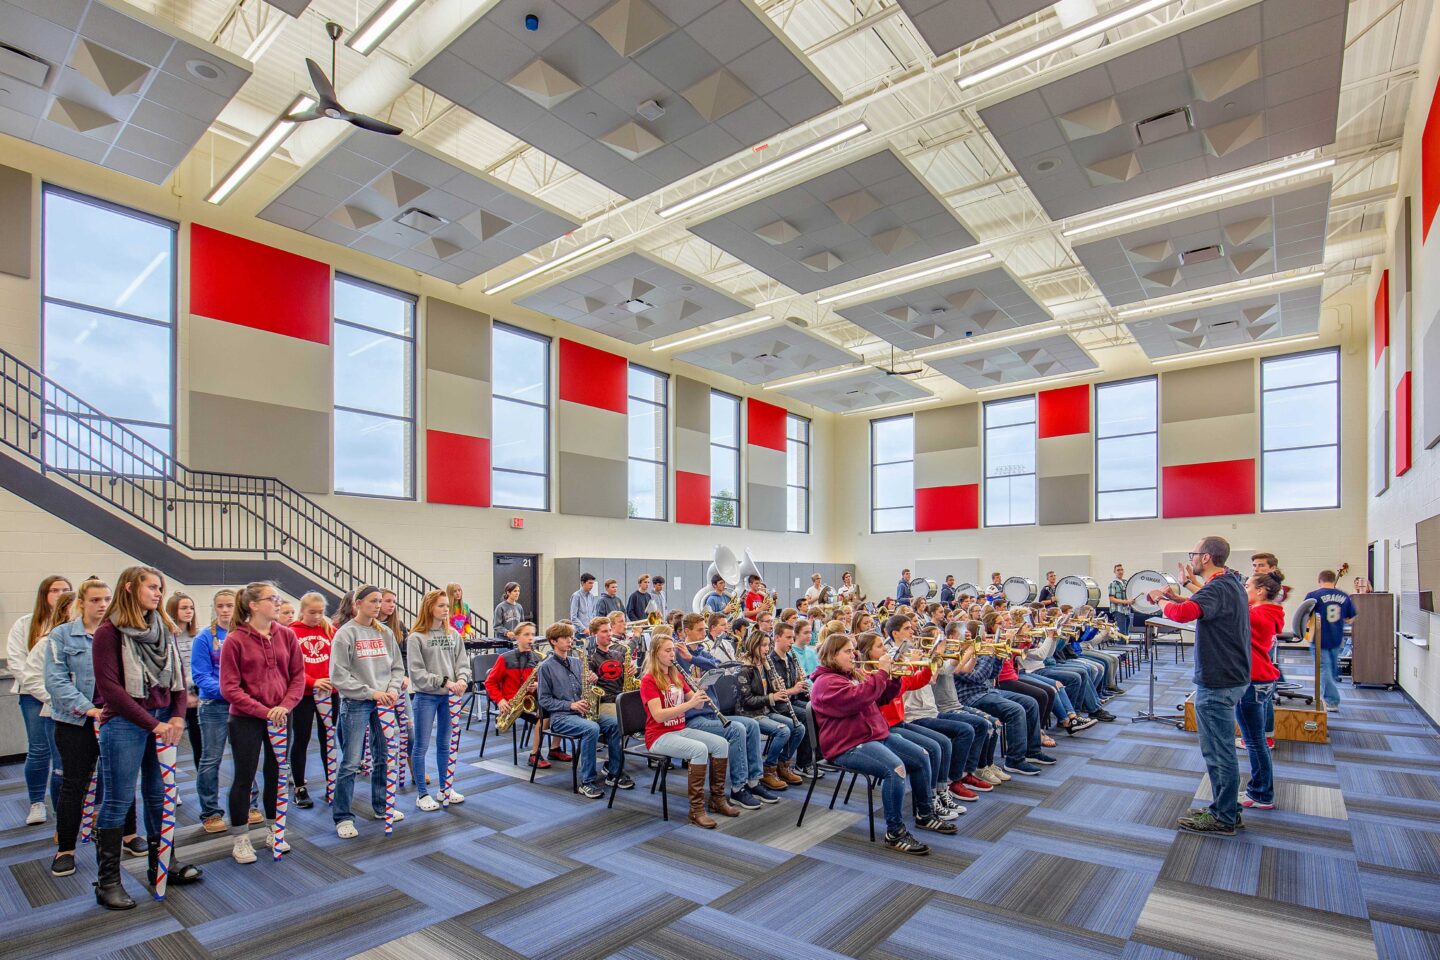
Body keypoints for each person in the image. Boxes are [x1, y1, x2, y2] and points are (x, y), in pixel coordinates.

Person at [92, 566, 203, 909]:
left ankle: (163, 864)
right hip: (125, 723)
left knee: (159, 796)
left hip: (162, 719)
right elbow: (111, 690)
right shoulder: (108, 633)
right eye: (152, 587)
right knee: (118, 800)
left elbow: (178, 680)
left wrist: (177, 716)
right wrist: (153, 725)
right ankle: (108, 880)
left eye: (160, 588)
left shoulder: (163, 628)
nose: (158, 593)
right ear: (129, 587)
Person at [811, 632, 950, 854]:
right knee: (895, 769)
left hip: (873, 736)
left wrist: (893, 677)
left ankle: (925, 814)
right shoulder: (826, 683)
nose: (854, 655)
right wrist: (883, 671)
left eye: (853, 650)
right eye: (847, 651)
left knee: (921, 756)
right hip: (847, 744)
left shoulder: (850, 674)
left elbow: (882, 697)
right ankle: (894, 832)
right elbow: (858, 699)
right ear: (832, 655)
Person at [1148, 536, 1251, 836]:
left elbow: (1183, 614)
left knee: (1218, 752)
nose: (1191, 557)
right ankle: (1227, 808)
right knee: (1219, 750)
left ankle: (1223, 817)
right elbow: (1200, 604)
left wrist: (1161, 599)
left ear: (1206, 557)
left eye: (1193, 553)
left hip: (1219, 680)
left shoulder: (1219, 587)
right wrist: (1182, 591)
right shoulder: (1231, 581)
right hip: (1232, 675)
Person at [44, 578, 144, 877]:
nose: (102, 605)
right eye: (95, 600)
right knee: (75, 783)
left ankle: (128, 835)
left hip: (117, 719)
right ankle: (66, 849)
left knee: (122, 781)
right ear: (81, 603)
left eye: (106, 599)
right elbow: (55, 680)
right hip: (76, 721)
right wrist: (89, 709)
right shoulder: (62, 635)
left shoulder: (119, 634)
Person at [221, 582, 305, 864]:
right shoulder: (235, 640)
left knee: (277, 773)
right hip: (246, 719)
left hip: (282, 715)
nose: (278, 602)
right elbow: (230, 688)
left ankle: (274, 829)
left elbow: (297, 677)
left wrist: (285, 706)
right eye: (272, 598)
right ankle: (241, 838)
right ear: (253, 605)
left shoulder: (287, 635)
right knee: (244, 776)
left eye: (279, 598)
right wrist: (263, 711)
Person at [329, 585, 406, 838]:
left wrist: (393, 690)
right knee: (351, 761)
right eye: (373, 601)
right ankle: (343, 817)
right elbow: (339, 677)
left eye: (379, 601)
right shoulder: (345, 634)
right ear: (357, 604)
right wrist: (371, 692)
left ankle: (382, 805)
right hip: (357, 702)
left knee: (383, 755)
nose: (377, 605)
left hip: (384, 702)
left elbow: (397, 668)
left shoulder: (384, 632)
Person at [640, 634, 736, 828]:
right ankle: (696, 810)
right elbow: (658, 716)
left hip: (679, 729)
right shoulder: (649, 680)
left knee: (721, 744)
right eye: (667, 650)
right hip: (658, 736)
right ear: (655, 653)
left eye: (672, 650)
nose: (672, 654)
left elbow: (697, 705)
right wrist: (689, 704)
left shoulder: (676, 675)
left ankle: (717, 799)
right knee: (699, 750)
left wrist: (701, 693)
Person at [535, 622, 626, 798]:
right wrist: (570, 705)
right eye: (565, 638)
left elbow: (583, 688)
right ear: (553, 641)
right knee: (591, 729)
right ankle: (587, 781)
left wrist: (592, 680)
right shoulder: (546, 667)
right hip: (561, 717)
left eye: (570, 637)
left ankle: (614, 773)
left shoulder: (578, 662)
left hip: (582, 713)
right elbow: (544, 700)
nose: (570, 641)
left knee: (615, 724)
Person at [8, 574, 72, 825]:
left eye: (66, 590)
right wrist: (47, 695)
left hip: (64, 699)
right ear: (44, 595)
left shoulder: (72, 626)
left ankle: (64, 810)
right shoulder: (26, 624)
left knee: (62, 756)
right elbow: (18, 663)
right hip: (34, 696)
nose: (60, 594)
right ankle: (36, 802)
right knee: (38, 749)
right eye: (55, 590)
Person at [193, 588, 255, 834]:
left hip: (243, 706)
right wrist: (231, 692)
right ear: (215, 608)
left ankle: (250, 806)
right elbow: (201, 676)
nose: (226, 610)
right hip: (215, 706)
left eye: (230, 605)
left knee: (247, 758)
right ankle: (210, 812)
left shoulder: (247, 635)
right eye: (221, 606)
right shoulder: (204, 638)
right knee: (211, 759)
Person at [406, 589, 471, 811]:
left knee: (445, 744)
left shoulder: (453, 635)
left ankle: (445, 787)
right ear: (429, 608)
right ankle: (422, 794)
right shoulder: (416, 637)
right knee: (421, 745)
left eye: (447, 606)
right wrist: (445, 682)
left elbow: (462, 662)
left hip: (449, 697)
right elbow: (417, 673)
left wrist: (462, 679)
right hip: (426, 696)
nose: (446, 610)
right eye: (441, 606)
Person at [736, 632, 805, 790]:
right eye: (763, 645)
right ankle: (769, 769)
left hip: (766, 710)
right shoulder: (745, 668)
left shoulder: (765, 664)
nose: (767, 649)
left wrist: (777, 685)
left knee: (799, 728)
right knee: (783, 731)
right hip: (751, 713)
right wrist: (772, 696)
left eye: (768, 645)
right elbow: (747, 701)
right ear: (753, 646)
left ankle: (783, 765)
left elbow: (768, 691)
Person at [484, 621, 558, 767]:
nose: (531, 638)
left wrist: (538, 685)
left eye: (532, 634)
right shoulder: (505, 658)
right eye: (526, 634)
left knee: (559, 708)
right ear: (517, 637)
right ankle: (534, 755)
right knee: (545, 716)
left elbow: (547, 683)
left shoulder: (539, 658)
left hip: (532, 700)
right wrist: (500, 700)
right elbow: (489, 682)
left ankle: (555, 748)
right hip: (512, 702)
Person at [1240, 572, 1284, 811]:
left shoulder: (1255, 614)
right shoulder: (1272, 611)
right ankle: (1261, 790)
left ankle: (1261, 794)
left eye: (1247, 586)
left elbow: (1225, 612)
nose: (1244, 590)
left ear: (1260, 591)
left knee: (1255, 742)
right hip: (1262, 678)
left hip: (1252, 680)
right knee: (1256, 740)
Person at [289, 592, 334, 809]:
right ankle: (299, 787)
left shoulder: (329, 630)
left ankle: (332, 784)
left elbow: (338, 661)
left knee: (329, 739)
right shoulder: (292, 632)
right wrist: (312, 681)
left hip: (329, 693)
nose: (317, 617)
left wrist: (331, 681)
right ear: (303, 611)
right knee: (302, 739)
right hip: (303, 695)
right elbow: (291, 668)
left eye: (321, 612)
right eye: (312, 612)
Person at [1306, 570, 1356, 712]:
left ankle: (1332, 701)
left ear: (1319, 580)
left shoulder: (1313, 596)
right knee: (1331, 669)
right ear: (1334, 580)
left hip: (1319, 638)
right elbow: (1350, 618)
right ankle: (1330, 696)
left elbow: (1304, 615)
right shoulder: (1344, 596)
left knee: (1324, 669)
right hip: (1336, 637)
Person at [165, 593, 203, 770]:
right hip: (173, 697)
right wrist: (183, 694)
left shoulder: (198, 635)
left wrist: (193, 692)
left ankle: (203, 785)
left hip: (196, 697)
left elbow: (201, 667)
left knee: (200, 745)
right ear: (173, 611)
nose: (189, 612)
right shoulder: (166, 636)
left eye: (191, 608)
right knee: (169, 746)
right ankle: (170, 789)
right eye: (184, 608)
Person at [1107, 564, 1133, 637]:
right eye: (1118, 570)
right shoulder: (1113, 583)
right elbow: (1111, 599)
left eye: (1121, 570)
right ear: (1114, 572)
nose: (1120, 571)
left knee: (1126, 634)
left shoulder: (1126, 582)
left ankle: (1125, 646)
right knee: (1121, 634)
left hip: (1127, 611)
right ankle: (1121, 646)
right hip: (1118, 611)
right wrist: (1126, 602)